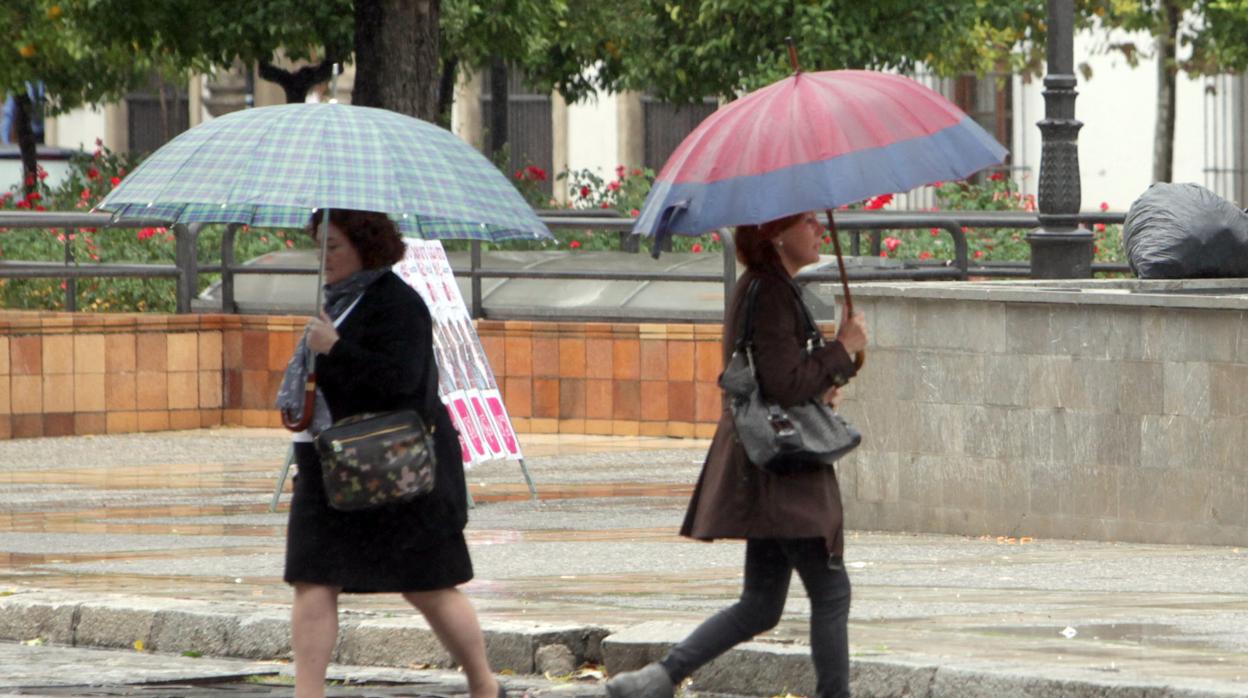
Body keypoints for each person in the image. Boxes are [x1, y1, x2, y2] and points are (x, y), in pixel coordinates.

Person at [605, 211, 869, 698]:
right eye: (807, 222)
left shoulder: (768, 286)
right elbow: (784, 383)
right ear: (776, 234)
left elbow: (784, 376)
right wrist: (841, 350)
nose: (819, 230)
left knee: (762, 604)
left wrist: (830, 375)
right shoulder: (768, 291)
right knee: (831, 592)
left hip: (769, 464)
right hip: (784, 467)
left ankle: (655, 679)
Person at [276, 209, 504, 698]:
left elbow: (403, 384)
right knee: (312, 577)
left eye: (332, 246)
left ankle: (484, 684)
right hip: (328, 464)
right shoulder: (338, 302)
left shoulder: (397, 304)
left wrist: (336, 348)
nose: (323, 258)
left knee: (427, 585)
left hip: (395, 469)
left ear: (366, 246)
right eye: (317, 246)